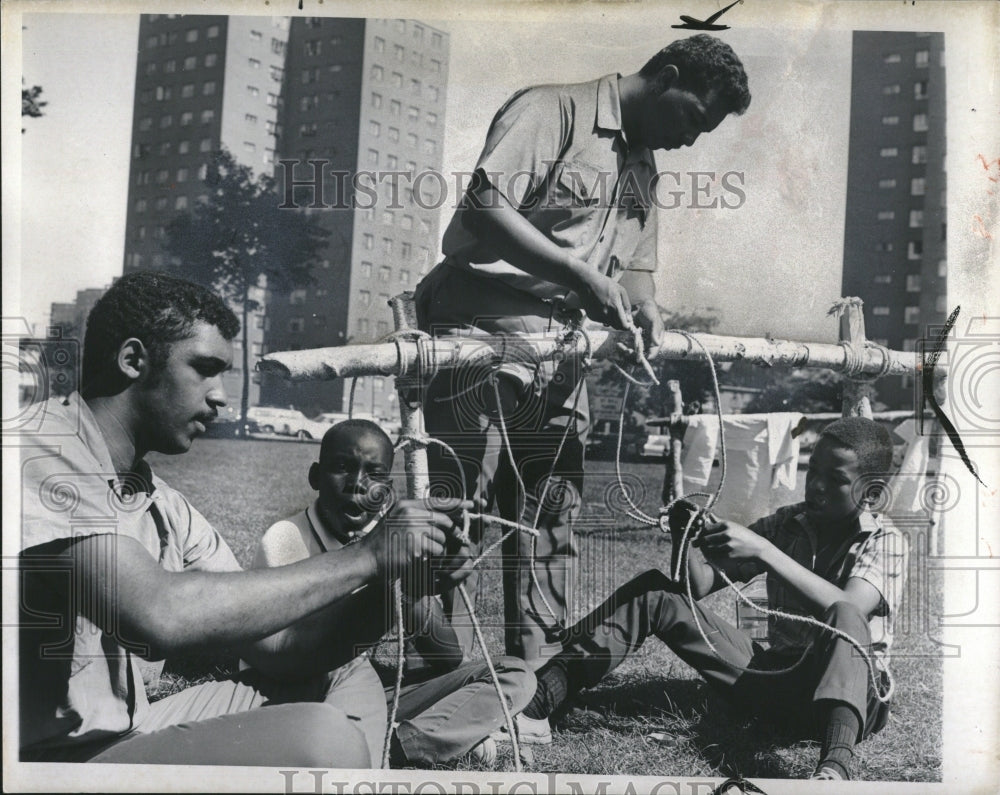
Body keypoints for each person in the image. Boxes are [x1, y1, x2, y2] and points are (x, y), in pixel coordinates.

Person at [17, 271, 468, 767]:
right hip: (47, 764)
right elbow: (156, 617)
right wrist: (367, 555)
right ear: (132, 360)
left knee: (337, 678)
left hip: (129, 730)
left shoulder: (163, 504)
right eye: (205, 369)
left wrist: (393, 585)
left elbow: (281, 648)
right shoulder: (38, 446)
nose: (220, 396)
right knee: (324, 737)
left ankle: (370, 762)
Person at [414, 34, 752, 671]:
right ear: (667, 76)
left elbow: (636, 268)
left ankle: (531, 674)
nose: (692, 139)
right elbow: (483, 209)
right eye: (692, 118)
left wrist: (644, 302)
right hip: (479, 320)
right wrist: (580, 276)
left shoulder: (644, 168)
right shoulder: (552, 111)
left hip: (564, 347)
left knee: (550, 516)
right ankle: (442, 672)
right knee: (462, 507)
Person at [520, 418, 908, 780]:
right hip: (781, 683)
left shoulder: (884, 540)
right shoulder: (787, 523)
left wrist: (764, 552)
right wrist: (686, 536)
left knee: (843, 612)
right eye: (813, 470)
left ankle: (834, 768)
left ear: (870, 492)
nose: (817, 485)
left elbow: (848, 610)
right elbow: (698, 585)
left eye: (835, 478)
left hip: (856, 701)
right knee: (658, 592)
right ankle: (543, 697)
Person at [251, 419, 536, 767]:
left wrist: (416, 589)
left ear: (386, 490)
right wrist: (383, 581)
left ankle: (397, 747)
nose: (358, 484)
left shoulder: (388, 539)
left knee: (513, 675)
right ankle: (385, 742)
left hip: (367, 695)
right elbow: (289, 661)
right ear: (315, 476)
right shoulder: (286, 538)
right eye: (342, 467)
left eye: (374, 474)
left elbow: (446, 656)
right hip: (296, 696)